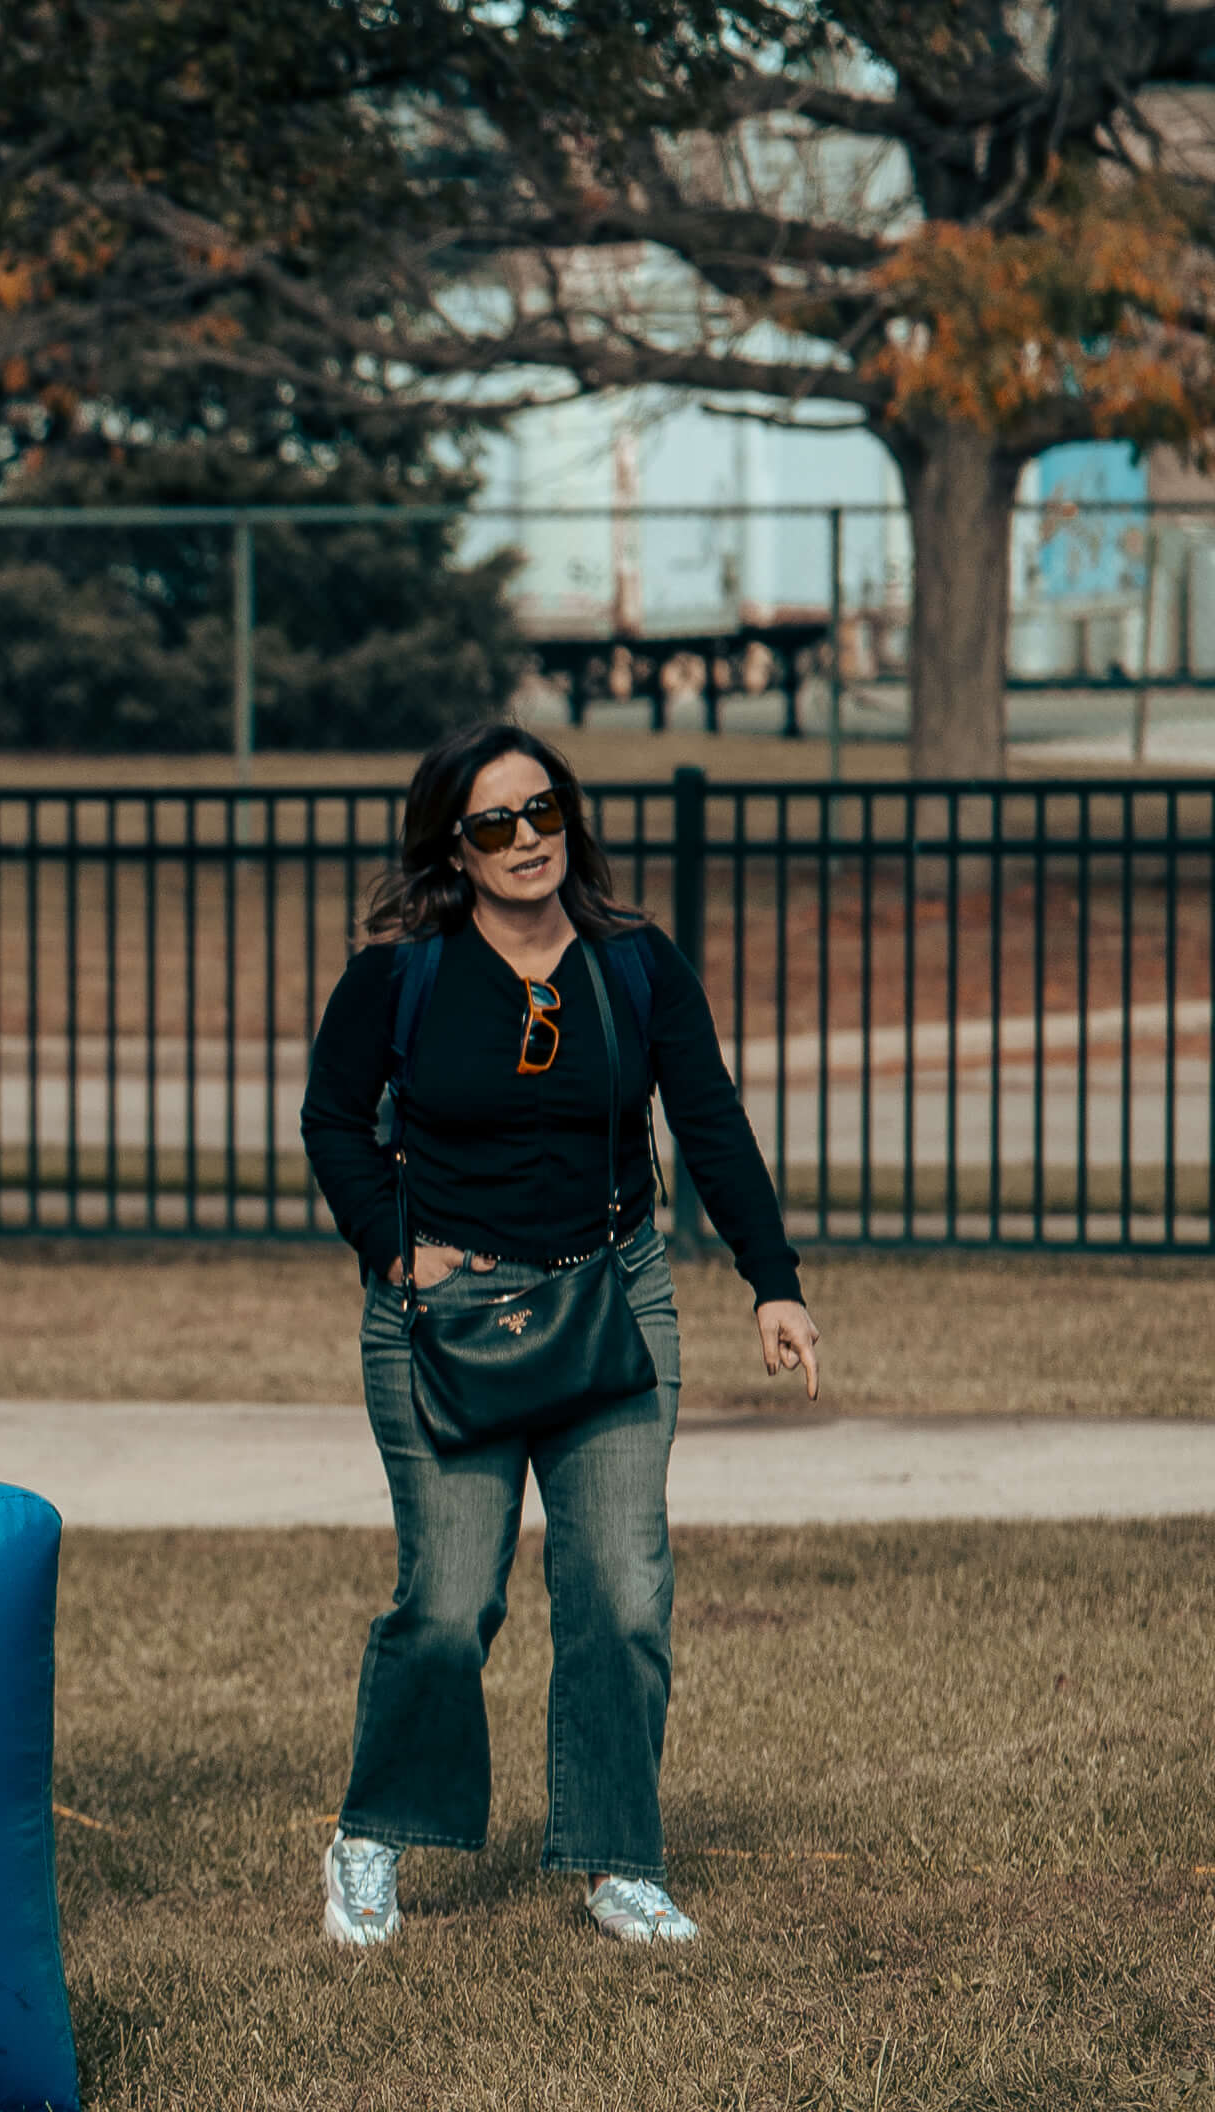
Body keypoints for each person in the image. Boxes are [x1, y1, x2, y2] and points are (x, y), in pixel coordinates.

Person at [291, 726, 821, 1956]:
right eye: (494, 825)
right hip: (450, 1320)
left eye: (542, 812)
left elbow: (712, 1121)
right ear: (453, 847)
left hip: (614, 1300)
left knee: (622, 1595)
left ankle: (617, 1859)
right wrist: (391, 1243)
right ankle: (373, 1836)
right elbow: (331, 1116)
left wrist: (772, 1282)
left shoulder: (633, 964)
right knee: (448, 1600)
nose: (526, 839)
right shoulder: (403, 972)